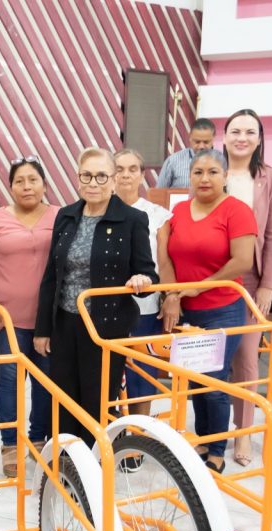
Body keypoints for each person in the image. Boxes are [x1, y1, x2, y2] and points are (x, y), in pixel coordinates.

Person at [34, 148, 157, 446]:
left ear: (113, 180)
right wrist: (42, 329)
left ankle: (94, 460)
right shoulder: (66, 216)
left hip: (106, 326)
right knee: (64, 396)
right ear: (78, 178)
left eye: (101, 176)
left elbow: (148, 274)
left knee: (97, 398)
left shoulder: (133, 219)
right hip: (65, 323)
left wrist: (141, 279)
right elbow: (51, 276)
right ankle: (65, 459)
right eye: (86, 176)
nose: (93, 183)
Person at [158, 149, 257, 473]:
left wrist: (200, 286)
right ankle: (202, 439)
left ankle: (216, 449)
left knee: (213, 380)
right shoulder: (179, 211)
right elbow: (166, 256)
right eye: (198, 172)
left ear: (225, 176)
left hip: (222, 309)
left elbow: (242, 261)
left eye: (213, 172)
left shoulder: (237, 211)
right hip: (188, 311)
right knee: (194, 380)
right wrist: (173, 295)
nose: (204, 178)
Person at [0, 156, 57, 477]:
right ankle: (9, 444)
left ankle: (38, 438)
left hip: (49, 320)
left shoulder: (60, 216)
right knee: (10, 380)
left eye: (33, 180)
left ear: (44, 184)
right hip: (6, 318)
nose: (26, 186)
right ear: (10, 187)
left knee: (45, 381)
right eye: (19, 181)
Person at [222, 108, 272, 466]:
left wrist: (268, 285)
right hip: (212, 278)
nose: (242, 138)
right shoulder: (211, 170)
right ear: (225, 136)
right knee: (209, 358)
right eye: (235, 131)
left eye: (249, 132)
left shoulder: (270, 178)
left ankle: (243, 432)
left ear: (259, 138)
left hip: (250, 279)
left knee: (246, 360)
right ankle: (212, 428)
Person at [114, 148, 172, 417]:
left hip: (145, 308)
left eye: (132, 169)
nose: (126, 175)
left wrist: (170, 297)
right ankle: (112, 429)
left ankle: (139, 429)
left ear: (142, 174)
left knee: (142, 374)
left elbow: (164, 261)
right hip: (106, 308)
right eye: (119, 169)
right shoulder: (98, 210)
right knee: (108, 375)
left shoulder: (157, 214)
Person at [156, 118, 216, 189]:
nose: (201, 146)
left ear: (213, 139)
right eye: (197, 142)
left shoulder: (221, 162)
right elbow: (158, 192)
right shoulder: (173, 162)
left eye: (206, 142)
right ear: (190, 138)